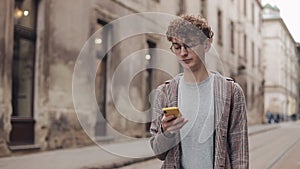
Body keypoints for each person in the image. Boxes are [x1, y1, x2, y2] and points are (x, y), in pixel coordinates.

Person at [150, 14, 249, 169]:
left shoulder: (231, 92)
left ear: (207, 45)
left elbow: (239, 152)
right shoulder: (164, 93)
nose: (183, 53)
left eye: (189, 45)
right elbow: (159, 152)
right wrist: (167, 132)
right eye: (177, 47)